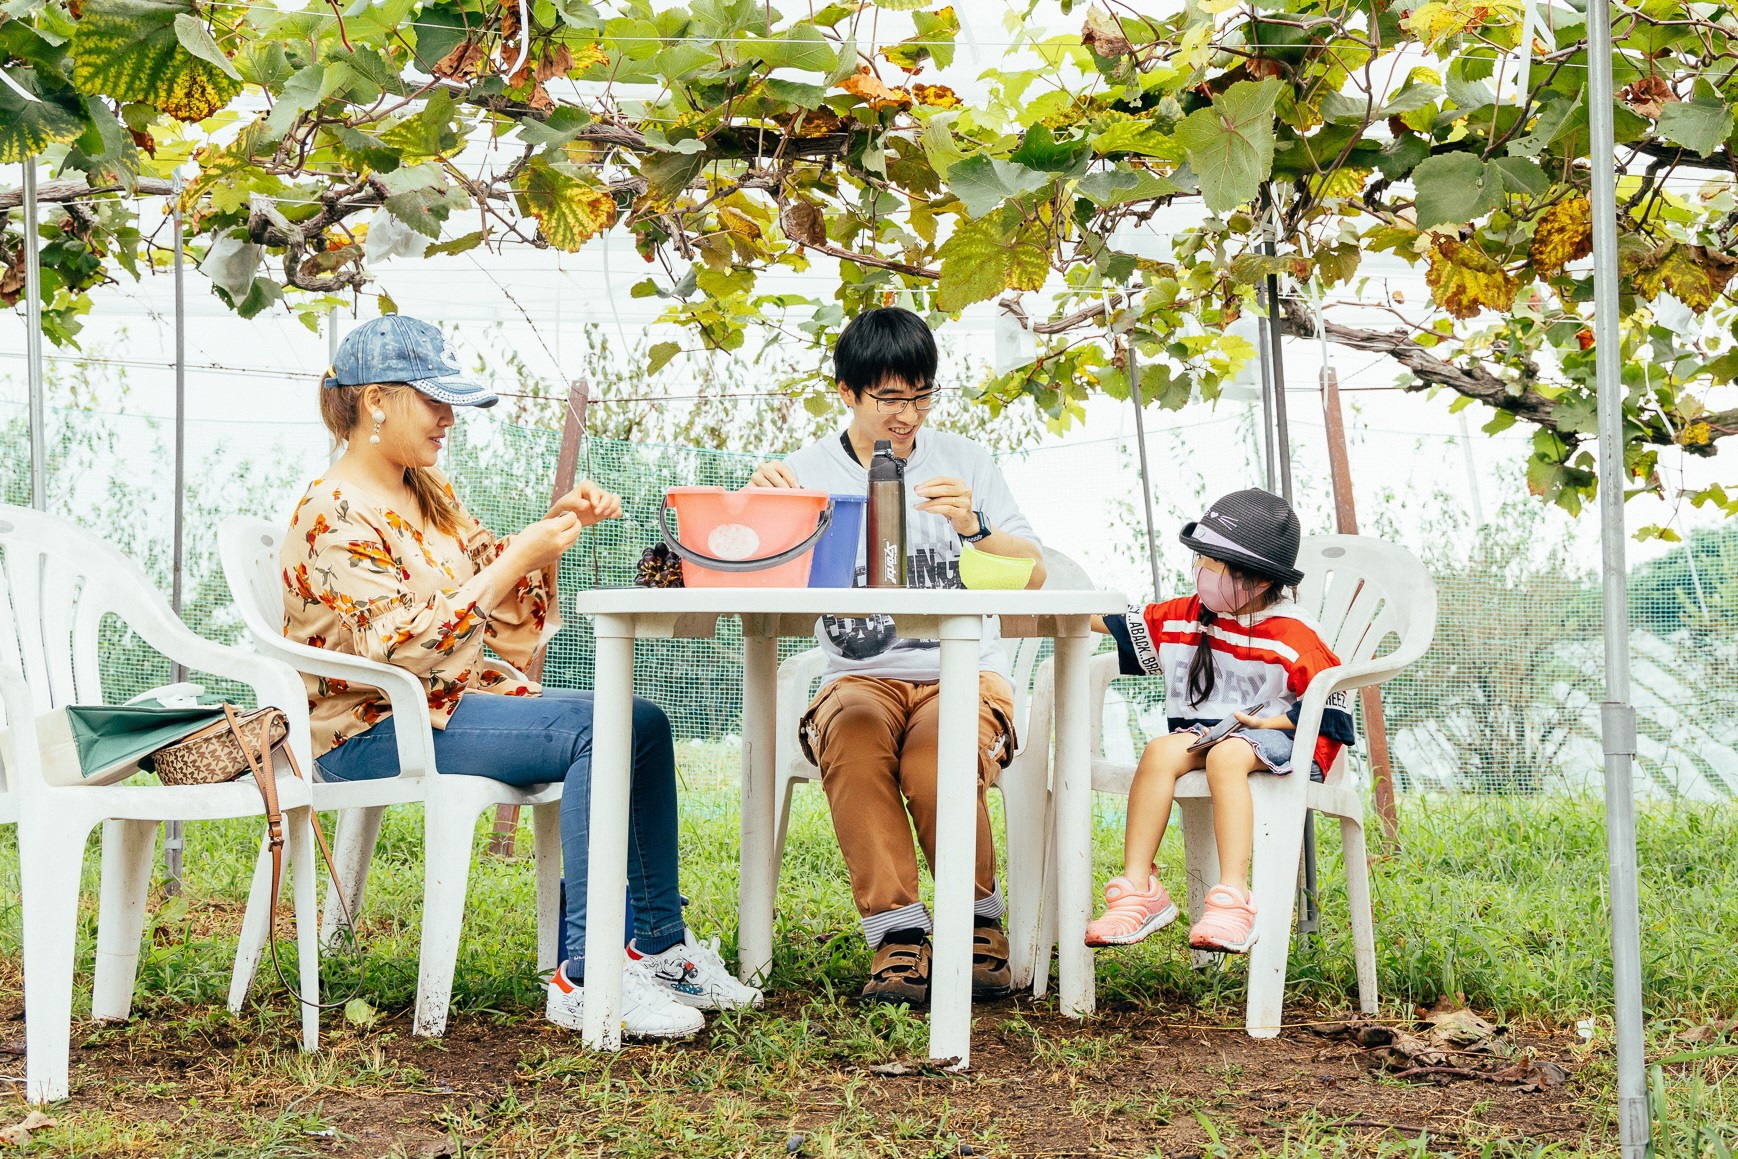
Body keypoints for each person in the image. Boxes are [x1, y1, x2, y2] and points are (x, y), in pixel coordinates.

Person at [282, 314, 761, 1039]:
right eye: (433, 400)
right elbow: (397, 652)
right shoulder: (331, 512)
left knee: (646, 721)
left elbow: (504, 624)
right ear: (376, 400)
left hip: (446, 704)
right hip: (374, 725)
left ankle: (658, 947)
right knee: (600, 729)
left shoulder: (427, 492)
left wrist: (550, 536)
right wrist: (515, 559)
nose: (448, 418)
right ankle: (586, 974)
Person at [749, 306, 1046, 1005]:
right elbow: (762, 579)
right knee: (850, 727)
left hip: (963, 670)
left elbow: (1033, 572)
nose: (907, 414)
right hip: (860, 673)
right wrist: (764, 510)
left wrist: (975, 527)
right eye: (889, 397)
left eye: (920, 394)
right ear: (847, 393)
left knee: (936, 748)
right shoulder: (806, 473)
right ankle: (898, 936)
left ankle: (976, 926)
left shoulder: (966, 463)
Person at [1084, 489, 1355, 953]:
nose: (1204, 573)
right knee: (1159, 751)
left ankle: (1233, 898)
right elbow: (1109, 622)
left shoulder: (1294, 634)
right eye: (1203, 561)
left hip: (1286, 739)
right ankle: (1139, 889)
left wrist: (1270, 726)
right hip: (1211, 731)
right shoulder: (1191, 616)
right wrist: (1039, 605)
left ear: (1260, 581)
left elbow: (1332, 705)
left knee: (1229, 756)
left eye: (1219, 565)